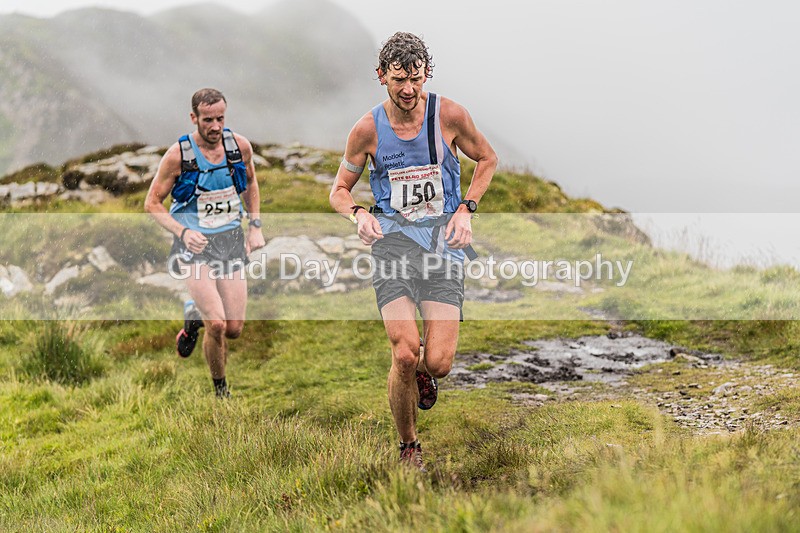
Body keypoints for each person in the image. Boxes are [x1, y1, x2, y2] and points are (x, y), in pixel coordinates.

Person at [329, 33, 498, 470]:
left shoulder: (450, 115)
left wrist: (466, 210)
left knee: (437, 362)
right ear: (381, 75)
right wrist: (359, 216)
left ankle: (426, 374)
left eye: (416, 78)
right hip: (393, 246)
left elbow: (488, 159)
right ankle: (409, 446)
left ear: (427, 73)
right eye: (399, 79)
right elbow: (339, 191)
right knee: (404, 352)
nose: (408, 89)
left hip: (443, 245)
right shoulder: (367, 129)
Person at [145, 88, 265, 398]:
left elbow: (251, 183)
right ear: (194, 118)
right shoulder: (178, 155)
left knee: (235, 328)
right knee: (218, 326)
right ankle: (221, 392)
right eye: (208, 120)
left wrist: (254, 226)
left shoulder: (239, 147)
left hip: (230, 240)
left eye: (220, 119)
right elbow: (152, 204)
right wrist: (183, 233)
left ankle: (192, 315)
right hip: (194, 246)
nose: (215, 126)